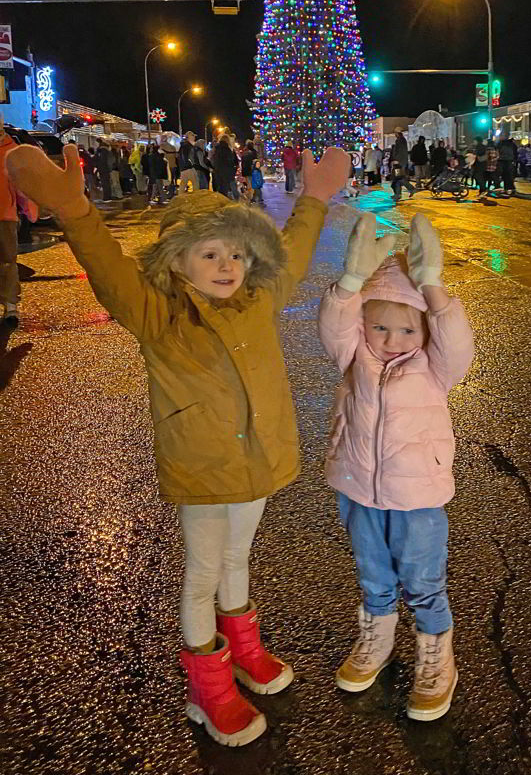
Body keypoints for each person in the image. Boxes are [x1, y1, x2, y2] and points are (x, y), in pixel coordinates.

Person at [7, 140, 350, 747]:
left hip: (258, 458)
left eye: (237, 253)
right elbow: (109, 270)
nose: (227, 266)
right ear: (176, 262)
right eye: (210, 253)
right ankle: (208, 686)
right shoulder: (155, 311)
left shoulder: (258, 296)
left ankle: (243, 648)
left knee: (239, 559)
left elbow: (292, 252)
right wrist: (77, 213)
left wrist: (316, 198)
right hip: (201, 465)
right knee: (202, 571)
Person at [317, 213, 474, 722]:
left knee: (423, 579)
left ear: (424, 328)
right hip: (358, 487)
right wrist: (351, 281)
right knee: (373, 572)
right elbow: (335, 320)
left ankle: (435, 658)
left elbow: (455, 342)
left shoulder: (435, 366)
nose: (391, 338)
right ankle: (377, 640)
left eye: (407, 328)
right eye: (378, 325)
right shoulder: (353, 357)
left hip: (418, 495)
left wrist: (433, 288)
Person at [0, 115, 38, 326]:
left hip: (5, 215)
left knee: (8, 261)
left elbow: (20, 184)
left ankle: (11, 305)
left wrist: (29, 207)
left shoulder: (11, 151)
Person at [390, 130, 415, 201]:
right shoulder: (402, 140)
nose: (395, 134)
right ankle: (398, 194)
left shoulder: (400, 140)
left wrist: (396, 160)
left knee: (398, 178)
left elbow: (400, 152)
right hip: (401, 162)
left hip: (399, 162)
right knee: (398, 178)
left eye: (395, 133)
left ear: (398, 133)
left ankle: (408, 190)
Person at [212, 134, 238, 199]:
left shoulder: (217, 149)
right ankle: (224, 205)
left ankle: (221, 203)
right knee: (225, 189)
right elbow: (231, 161)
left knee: (220, 190)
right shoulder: (227, 149)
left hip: (218, 173)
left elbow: (214, 161)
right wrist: (233, 169)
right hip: (226, 173)